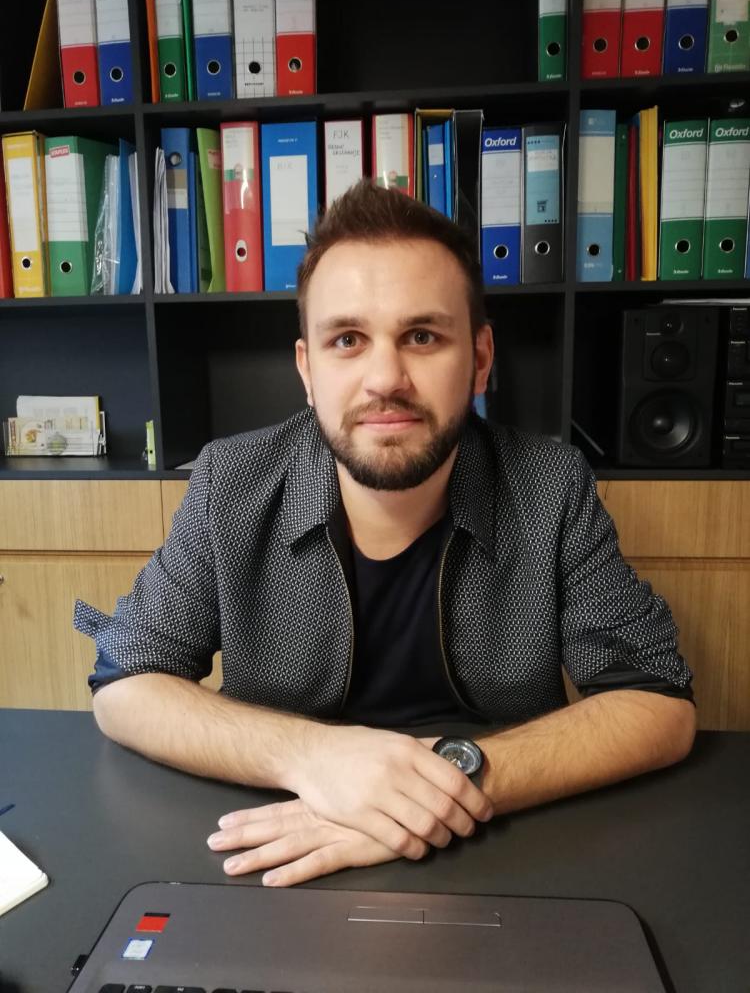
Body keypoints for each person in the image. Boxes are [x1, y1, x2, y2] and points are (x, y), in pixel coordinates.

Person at [74, 179, 696, 888]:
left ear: (481, 359)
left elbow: (658, 702)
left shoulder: (549, 486)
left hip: (504, 844)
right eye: (347, 340)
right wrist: (315, 758)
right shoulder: (231, 483)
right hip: (280, 841)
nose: (384, 379)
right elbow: (126, 683)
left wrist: (440, 784)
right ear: (308, 369)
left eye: (422, 336)